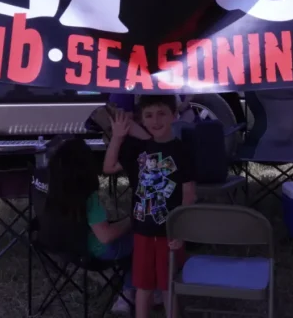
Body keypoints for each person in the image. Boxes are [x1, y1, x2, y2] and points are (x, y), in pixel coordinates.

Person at [103, 95, 197, 318]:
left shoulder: (182, 150)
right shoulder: (136, 148)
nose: (156, 120)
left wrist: (181, 230)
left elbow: (189, 194)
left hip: (169, 233)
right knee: (143, 287)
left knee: (168, 286)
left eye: (162, 113)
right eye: (149, 115)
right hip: (142, 231)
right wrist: (117, 137)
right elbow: (108, 167)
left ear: (174, 115)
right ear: (141, 119)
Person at [45, 138, 134, 313]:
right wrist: (132, 220)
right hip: (92, 251)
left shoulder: (52, 190)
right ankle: (130, 292)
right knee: (141, 241)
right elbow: (105, 236)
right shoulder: (88, 197)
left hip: (65, 245)